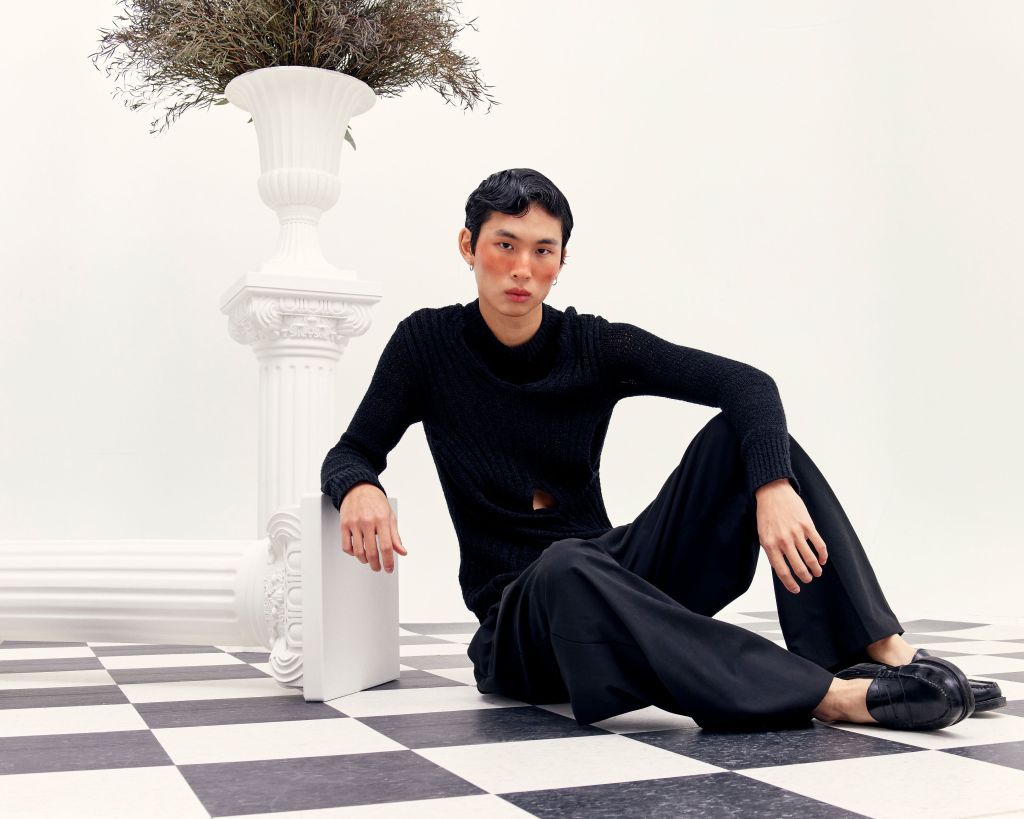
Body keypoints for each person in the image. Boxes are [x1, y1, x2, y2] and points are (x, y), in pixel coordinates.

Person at [320, 168, 1004, 732]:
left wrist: (771, 485)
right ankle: (828, 695)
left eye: (543, 251)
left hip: (610, 569)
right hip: (519, 630)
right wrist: (360, 484)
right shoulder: (426, 344)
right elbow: (350, 451)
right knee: (564, 565)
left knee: (743, 440)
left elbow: (747, 385)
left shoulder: (593, 345)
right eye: (505, 245)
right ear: (468, 246)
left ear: (562, 262)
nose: (522, 269)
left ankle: (878, 648)